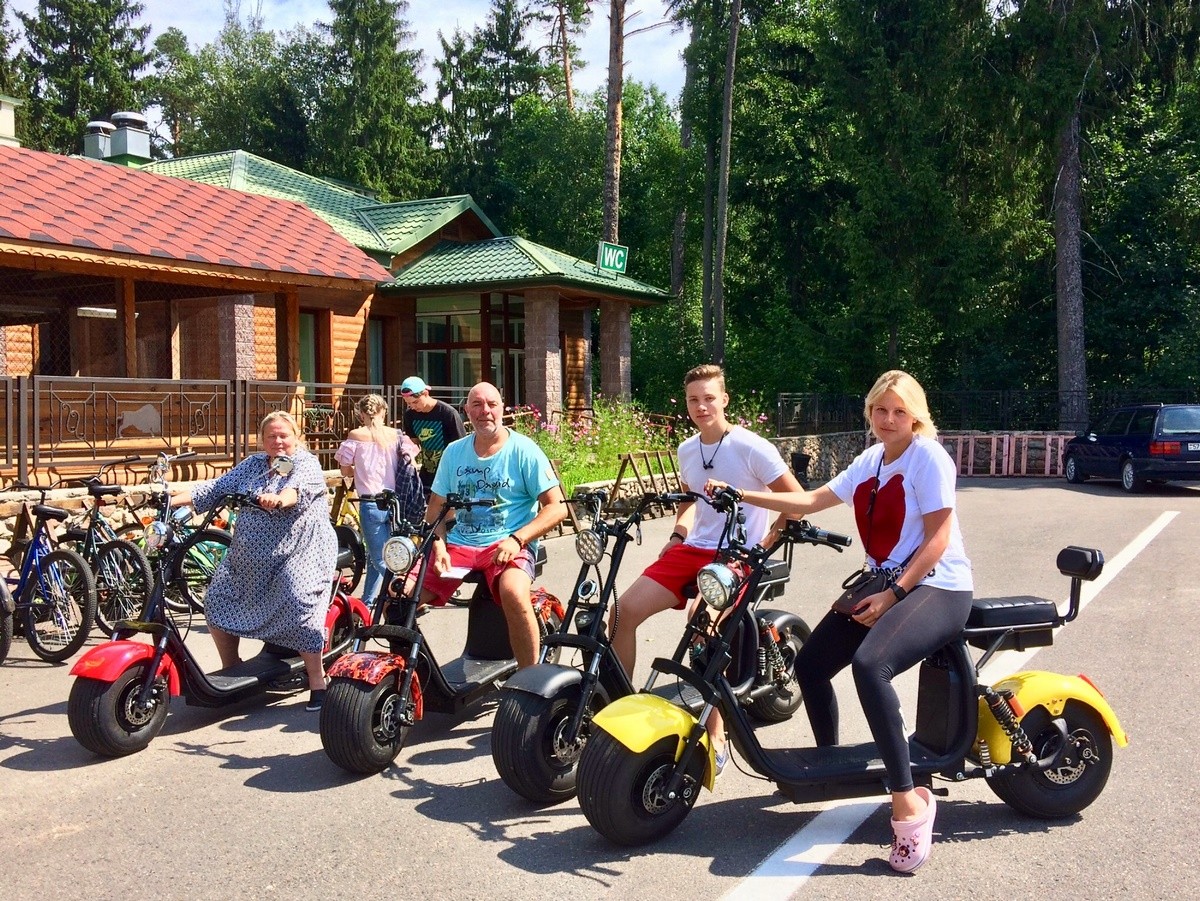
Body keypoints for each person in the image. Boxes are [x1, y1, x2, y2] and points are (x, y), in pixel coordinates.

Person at [706, 369, 973, 873]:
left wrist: (893, 594)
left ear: (916, 414)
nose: (889, 419)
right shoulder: (870, 461)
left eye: (899, 411)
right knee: (809, 667)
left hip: (939, 585)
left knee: (871, 666)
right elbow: (809, 501)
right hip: (883, 582)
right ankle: (832, 766)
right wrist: (746, 496)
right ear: (869, 412)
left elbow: (938, 539)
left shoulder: (928, 458)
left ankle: (908, 804)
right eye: (880, 410)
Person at [609, 363, 801, 773]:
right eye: (694, 399)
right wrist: (677, 536)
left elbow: (795, 500)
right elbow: (690, 502)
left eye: (709, 398)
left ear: (725, 400)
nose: (701, 406)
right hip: (694, 547)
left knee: (702, 625)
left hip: (737, 554)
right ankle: (620, 709)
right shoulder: (687, 448)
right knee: (621, 612)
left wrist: (765, 544)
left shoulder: (752, 447)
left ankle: (716, 733)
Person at [170, 411, 338, 712]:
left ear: (296, 436)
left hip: (301, 550)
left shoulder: (305, 463)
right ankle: (232, 669)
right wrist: (168, 498)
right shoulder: (254, 466)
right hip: (251, 556)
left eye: (283, 435)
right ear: (262, 440)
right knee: (217, 599)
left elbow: (294, 490)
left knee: (298, 598)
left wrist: (279, 500)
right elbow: (215, 488)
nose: (278, 441)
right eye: (271, 436)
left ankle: (318, 681)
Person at [418, 382, 566, 668]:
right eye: (477, 404)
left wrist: (517, 539)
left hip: (508, 543)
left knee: (513, 591)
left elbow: (556, 507)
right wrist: (439, 545)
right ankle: (414, 678)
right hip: (460, 544)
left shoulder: (523, 450)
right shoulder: (453, 452)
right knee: (400, 596)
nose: (484, 411)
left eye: (491, 404)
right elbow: (435, 509)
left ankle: (529, 678)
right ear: (466, 411)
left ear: (502, 408)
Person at [334, 394, 422, 605]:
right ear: (384, 412)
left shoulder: (356, 435)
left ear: (362, 414)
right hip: (395, 502)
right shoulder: (396, 435)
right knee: (379, 556)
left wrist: (358, 470)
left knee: (380, 557)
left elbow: (345, 470)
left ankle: (407, 591)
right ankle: (369, 602)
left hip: (370, 503)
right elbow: (412, 457)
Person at [400, 376, 466, 492]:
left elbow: (462, 447)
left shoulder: (448, 414)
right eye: (409, 404)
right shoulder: (410, 415)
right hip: (426, 474)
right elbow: (413, 445)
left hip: (448, 474)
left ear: (426, 393)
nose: (413, 407)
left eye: (415, 402)